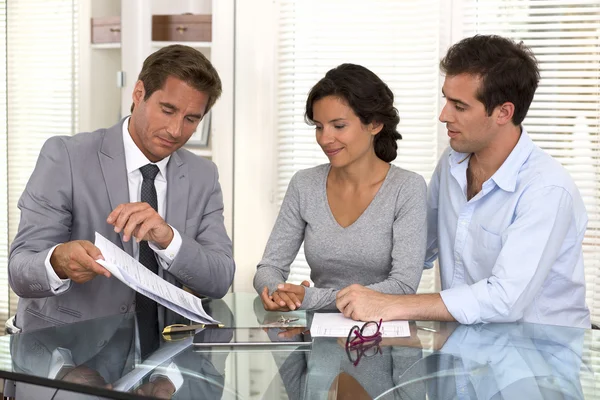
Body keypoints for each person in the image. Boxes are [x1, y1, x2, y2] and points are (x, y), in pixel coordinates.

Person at [336, 35, 590, 329]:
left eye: (459, 106)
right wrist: (334, 290)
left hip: (538, 361)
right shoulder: (452, 163)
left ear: (503, 113)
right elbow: (417, 246)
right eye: (446, 99)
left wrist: (391, 304)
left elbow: (504, 299)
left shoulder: (546, 189)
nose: (444, 115)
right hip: (469, 348)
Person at [9, 45, 235, 341]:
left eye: (192, 119)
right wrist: (58, 261)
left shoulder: (203, 176)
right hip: (68, 353)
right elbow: (20, 269)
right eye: (167, 110)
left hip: (164, 363)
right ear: (138, 93)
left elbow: (219, 279)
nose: (176, 130)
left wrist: (169, 240)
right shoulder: (66, 156)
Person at [253, 63, 427, 312]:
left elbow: (402, 287)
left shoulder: (407, 188)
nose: (325, 139)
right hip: (320, 337)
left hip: (384, 336)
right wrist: (278, 292)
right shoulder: (304, 184)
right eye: (319, 127)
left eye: (339, 126)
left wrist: (310, 297)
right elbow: (269, 267)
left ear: (375, 124)